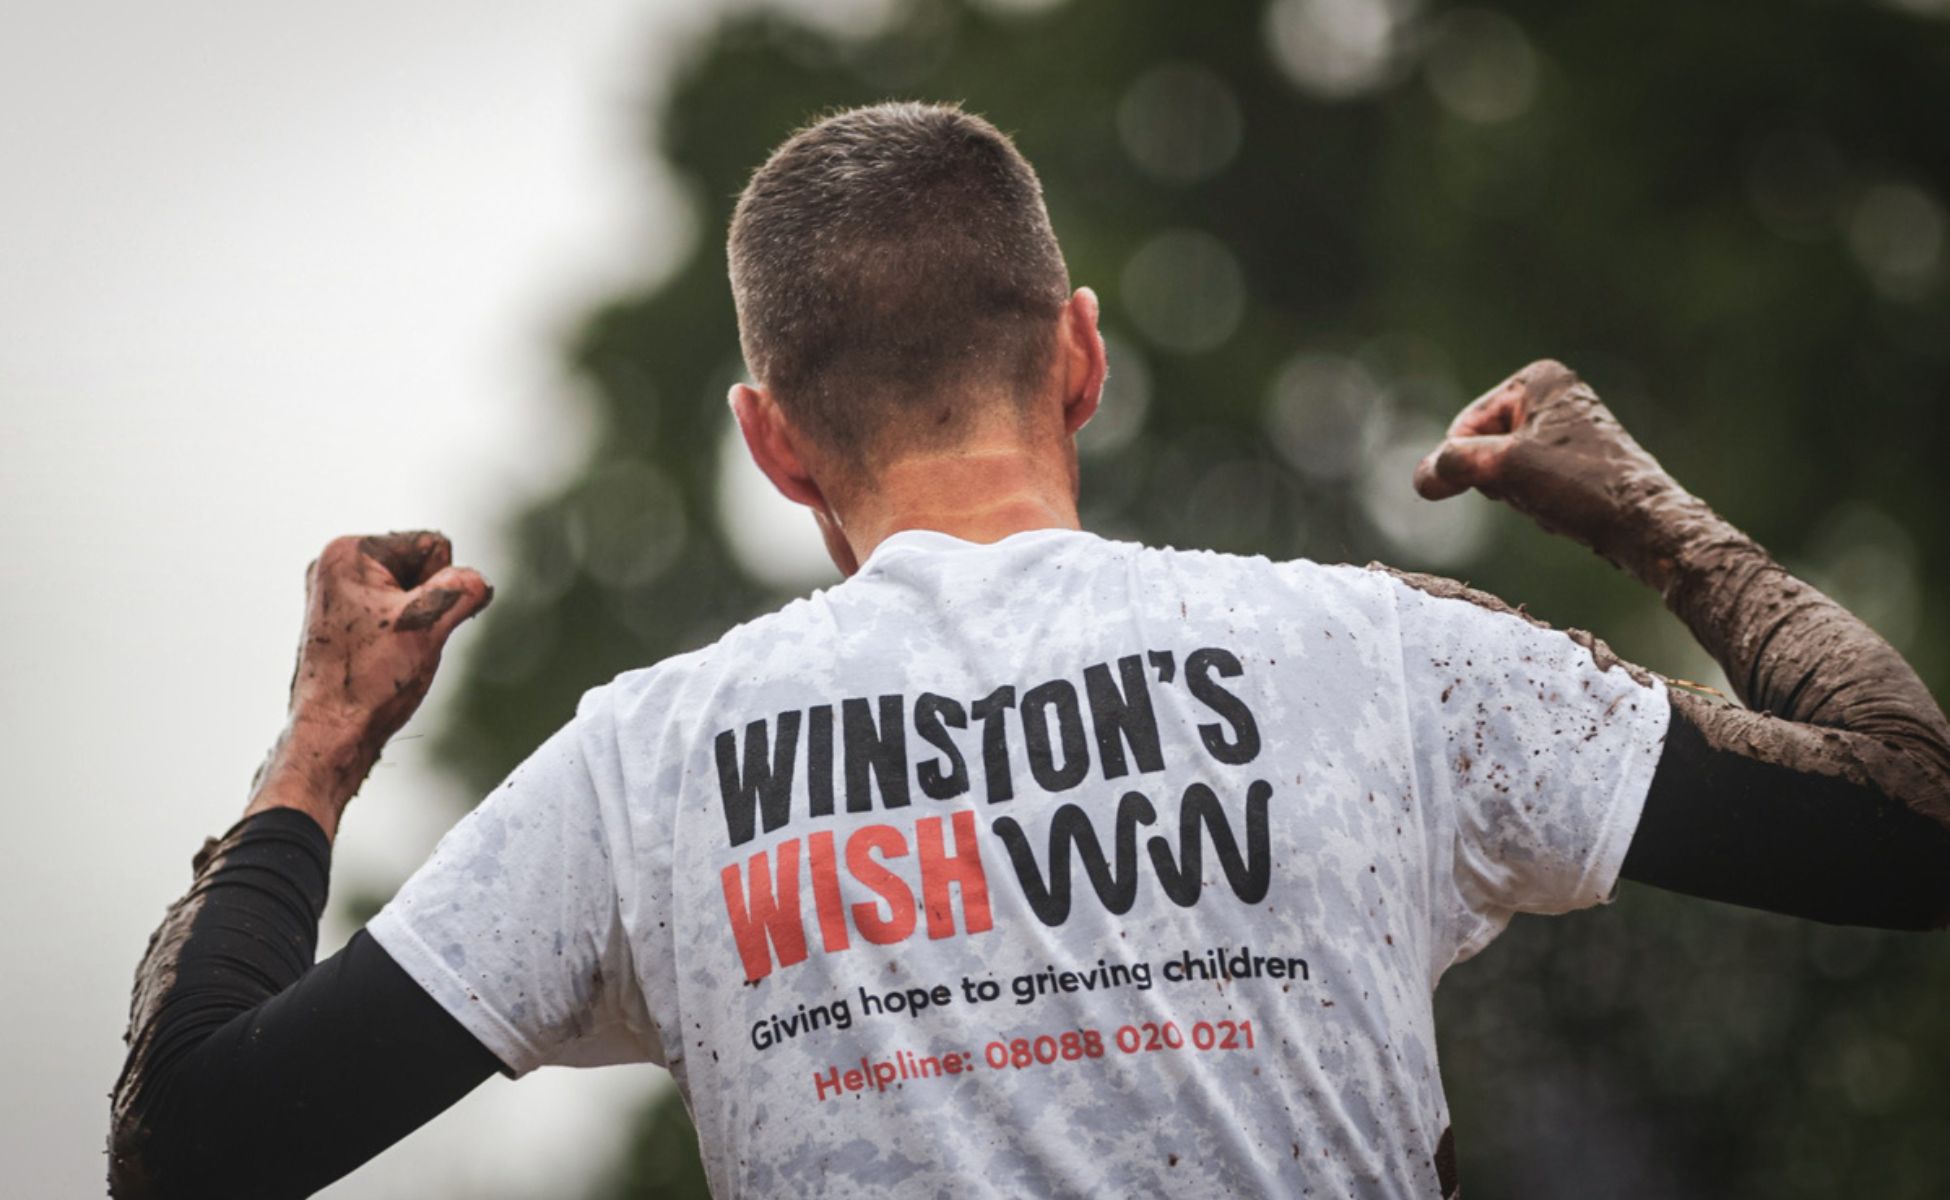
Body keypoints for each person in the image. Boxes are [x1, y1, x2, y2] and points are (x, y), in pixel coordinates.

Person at [110, 102, 1950, 1200]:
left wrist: (323, 748)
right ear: (1080, 355)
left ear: (770, 445)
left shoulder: (644, 765)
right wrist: (1646, 521)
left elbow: (193, 1146)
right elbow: (1909, 820)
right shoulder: (1379, 662)